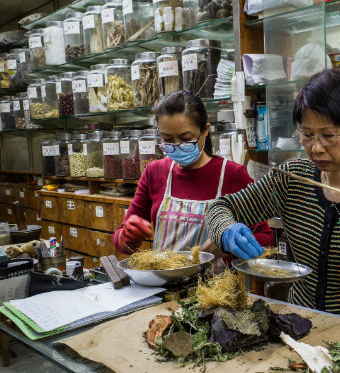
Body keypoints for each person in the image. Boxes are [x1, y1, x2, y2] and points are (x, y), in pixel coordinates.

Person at [205, 69, 340, 321]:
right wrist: (225, 230)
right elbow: (219, 208)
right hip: (300, 326)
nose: (316, 148)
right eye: (307, 135)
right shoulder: (293, 177)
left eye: (328, 136)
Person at [113, 90, 274, 262]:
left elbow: (267, 239)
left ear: (205, 130)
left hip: (214, 287)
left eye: (185, 138)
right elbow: (121, 243)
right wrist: (127, 236)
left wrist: (230, 241)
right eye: (167, 139)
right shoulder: (154, 172)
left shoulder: (232, 175)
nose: (176, 146)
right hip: (164, 285)